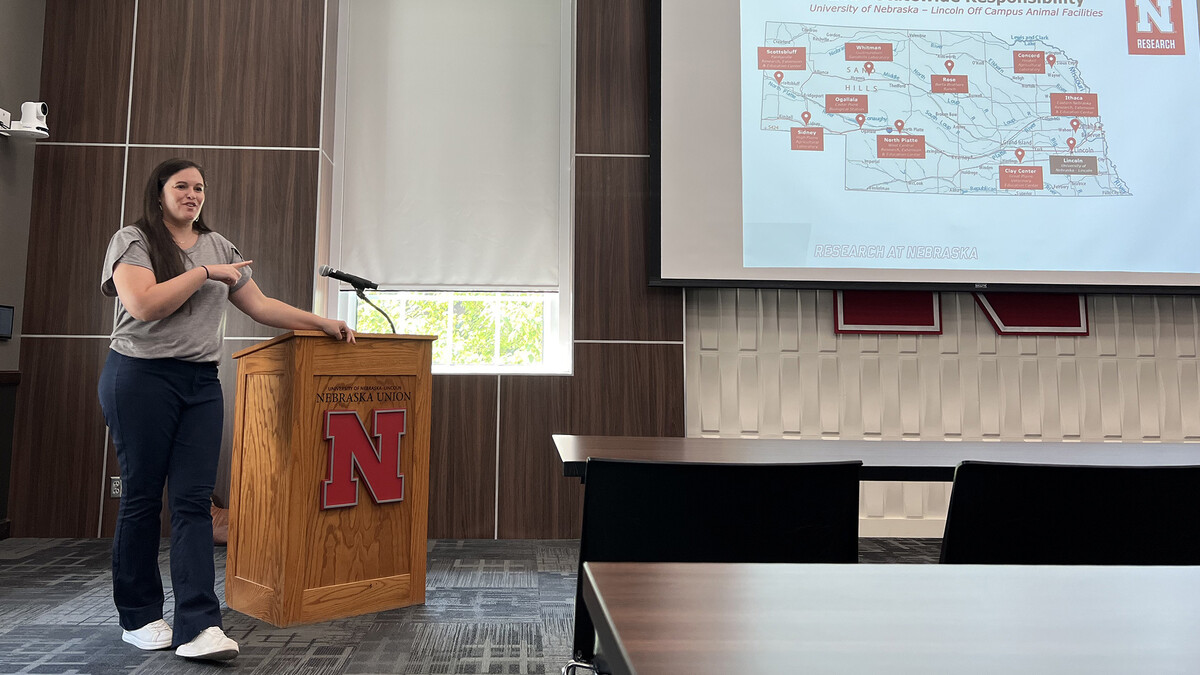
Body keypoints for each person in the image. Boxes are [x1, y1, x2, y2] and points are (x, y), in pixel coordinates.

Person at [97, 158, 355, 661]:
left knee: (194, 502)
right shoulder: (133, 240)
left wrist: (319, 321)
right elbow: (146, 304)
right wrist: (205, 273)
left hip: (199, 382)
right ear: (159, 193)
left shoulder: (220, 247)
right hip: (139, 377)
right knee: (143, 498)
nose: (192, 195)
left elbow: (260, 306)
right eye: (181, 186)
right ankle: (140, 616)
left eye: (199, 188)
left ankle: (199, 626)